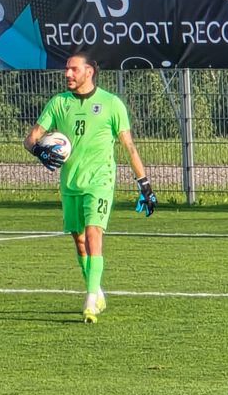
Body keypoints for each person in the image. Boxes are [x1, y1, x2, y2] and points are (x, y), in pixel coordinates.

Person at [24, 52, 157, 324]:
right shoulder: (59, 103)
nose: (67, 74)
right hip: (71, 182)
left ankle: (89, 300)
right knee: (79, 240)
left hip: (100, 180)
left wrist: (144, 183)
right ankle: (97, 289)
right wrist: (38, 150)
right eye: (66, 69)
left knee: (94, 231)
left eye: (73, 69)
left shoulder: (111, 103)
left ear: (89, 72)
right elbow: (30, 139)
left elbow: (129, 146)